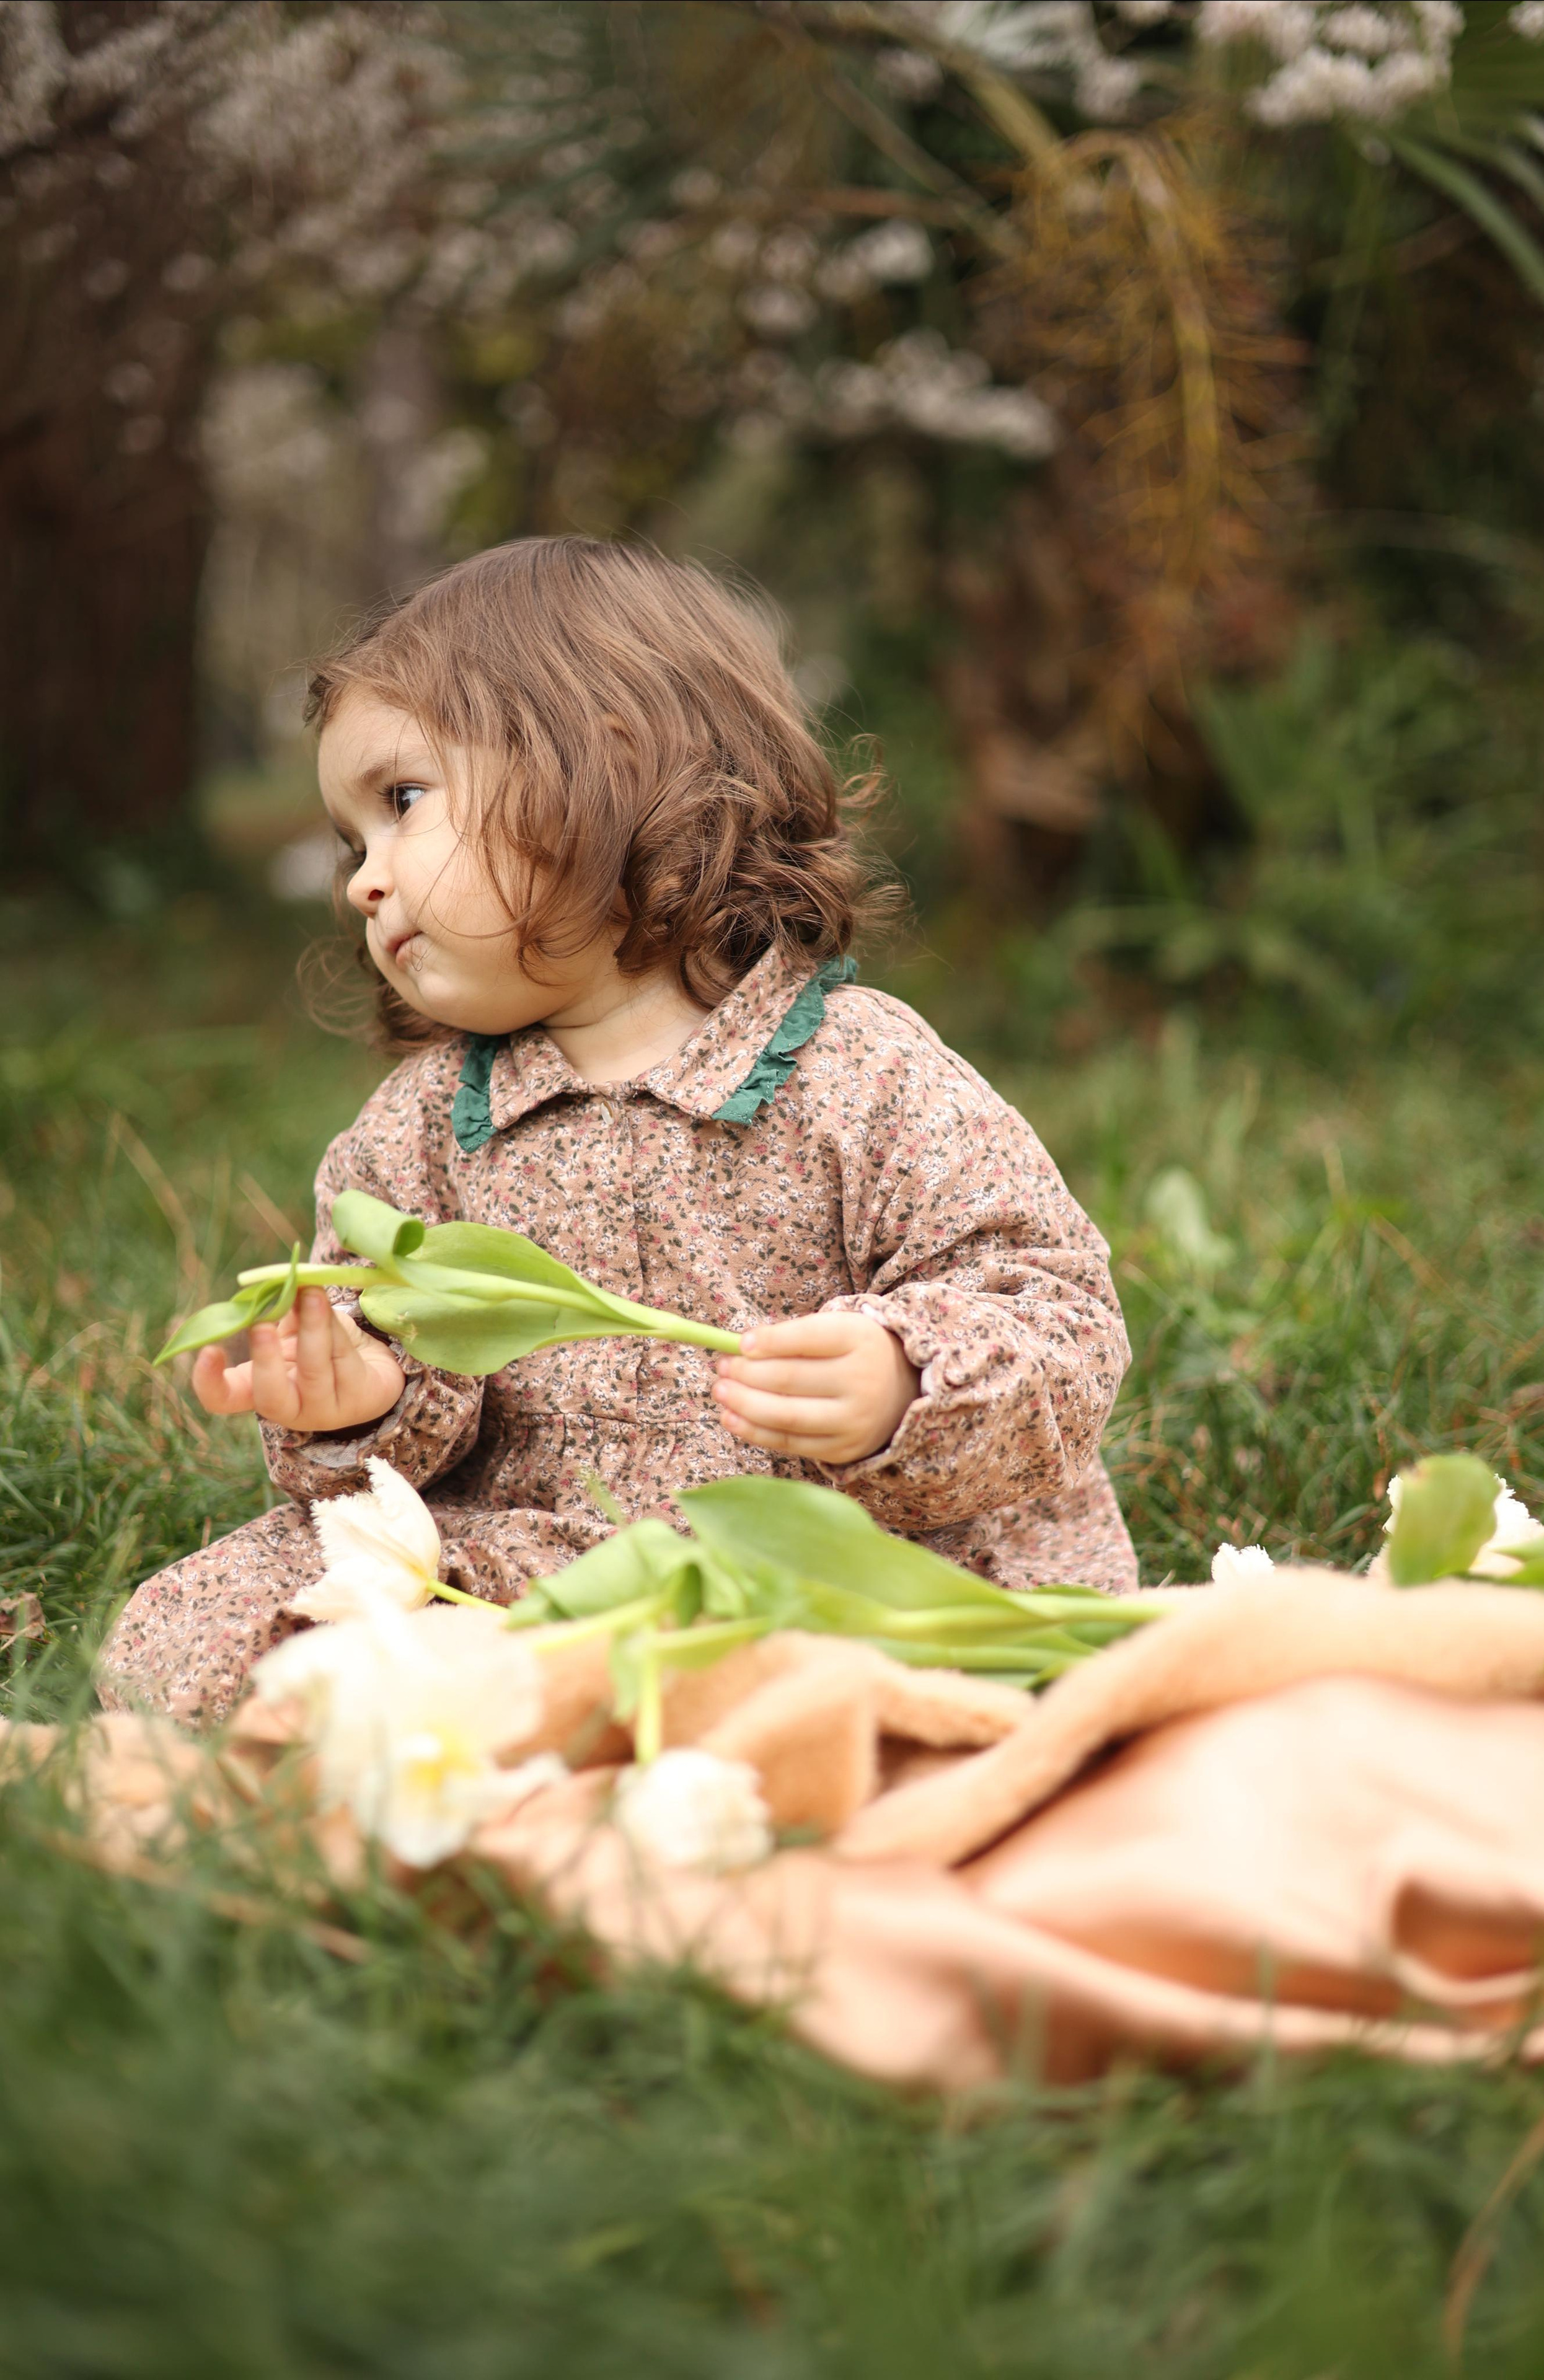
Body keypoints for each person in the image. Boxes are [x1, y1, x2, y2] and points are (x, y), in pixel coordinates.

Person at [99, 537, 1137, 1726]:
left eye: (400, 803)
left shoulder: (862, 1071)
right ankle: (525, 1728)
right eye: (354, 842)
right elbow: (385, 1447)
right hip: (534, 1570)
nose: (362, 882)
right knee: (189, 1623)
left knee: (841, 1680)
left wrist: (907, 1381)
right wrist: (356, 1403)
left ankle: (621, 1736)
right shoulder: (420, 1135)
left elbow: (1053, 1306)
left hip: (824, 1567)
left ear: (610, 758)